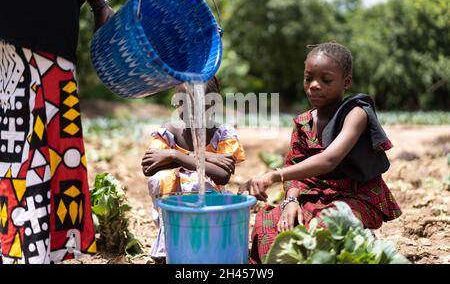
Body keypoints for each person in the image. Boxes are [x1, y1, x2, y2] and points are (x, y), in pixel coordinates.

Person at [0, 0, 191, 264]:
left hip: (36, 18)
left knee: (40, 152)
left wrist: (97, 2)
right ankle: (24, 254)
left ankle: (31, 252)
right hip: (30, 23)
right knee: (28, 157)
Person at [238, 42, 402, 264]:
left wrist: (274, 175)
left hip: (353, 197)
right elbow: (294, 164)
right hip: (313, 197)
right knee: (270, 221)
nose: (314, 85)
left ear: (346, 82)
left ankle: (358, 242)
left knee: (327, 226)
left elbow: (329, 159)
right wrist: (291, 202)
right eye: (308, 78)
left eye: (325, 80)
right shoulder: (303, 122)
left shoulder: (355, 114)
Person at [142, 77, 246, 263]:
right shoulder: (168, 132)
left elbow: (222, 176)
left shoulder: (223, 134)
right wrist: (207, 157)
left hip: (208, 209)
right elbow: (149, 167)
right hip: (172, 210)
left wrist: (174, 156)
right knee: (161, 178)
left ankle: (204, 246)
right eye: (181, 102)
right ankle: (169, 245)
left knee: (197, 182)